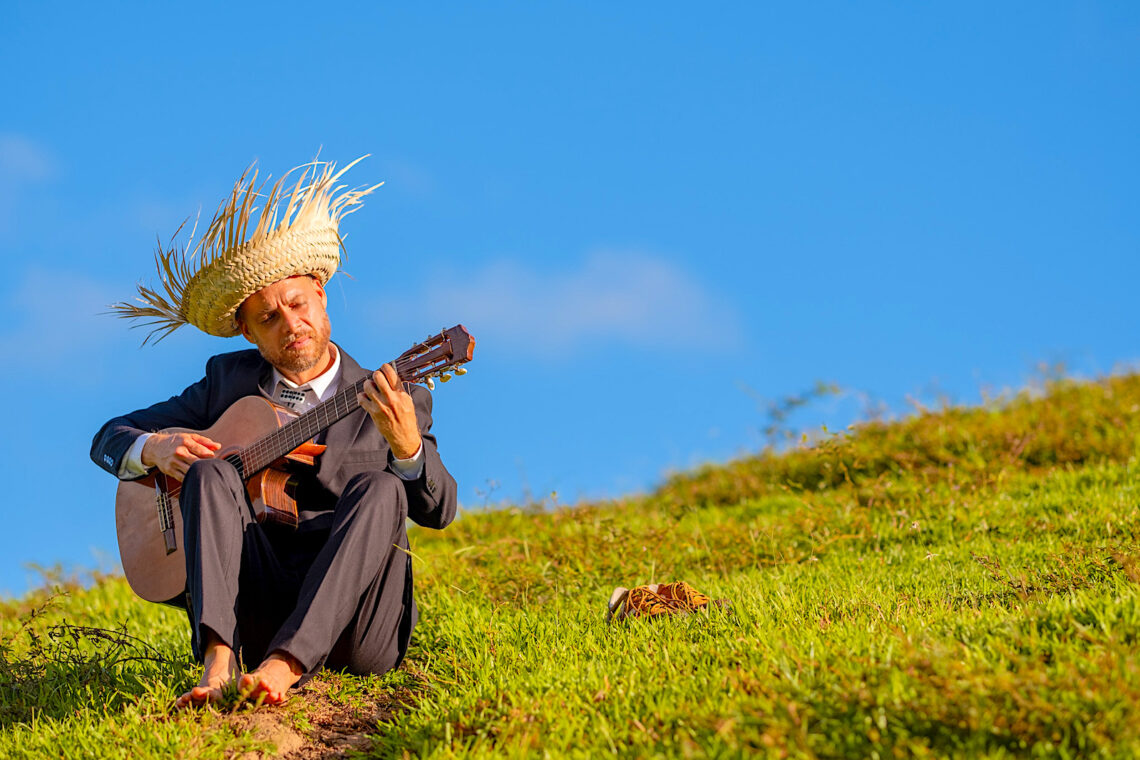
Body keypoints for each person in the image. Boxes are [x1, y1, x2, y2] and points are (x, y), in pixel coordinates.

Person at [90, 157, 457, 708]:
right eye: (269, 318)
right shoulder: (226, 383)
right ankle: (219, 659)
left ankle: (287, 665)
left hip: (358, 627)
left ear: (321, 294)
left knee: (382, 488)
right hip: (254, 612)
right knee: (210, 471)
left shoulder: (397, 397)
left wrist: (407, 450)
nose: (292, 325)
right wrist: (157, 448)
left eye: (298, 304)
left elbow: (441, 510)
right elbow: (108, 437)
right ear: (247, 332)